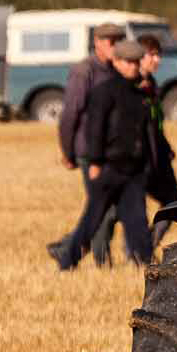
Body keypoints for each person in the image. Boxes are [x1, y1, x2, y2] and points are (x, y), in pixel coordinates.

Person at [57, 39, 154, 270]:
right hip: (109, 167)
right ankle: (67, 261)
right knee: (93, 220)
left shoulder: (140, 93)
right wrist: (95, 162)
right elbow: (95, 130)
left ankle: (148, 266)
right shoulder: (104, 92)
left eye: (136, 62)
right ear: (117, 62)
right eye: (128, 62)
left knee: (137, 220)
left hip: (133, 171)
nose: (133, 66)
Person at [94, 34, 177, 255]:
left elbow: (154, 126)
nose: (157, 60)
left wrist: (165, 147)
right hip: (132, 161)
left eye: (158, 55)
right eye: (152, 55)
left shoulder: (151, 86)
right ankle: (109, 257)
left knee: (173, 204)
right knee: (115, 211)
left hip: (154, 161)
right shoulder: (127, 89)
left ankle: (141, 251)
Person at [47, 21, 124, 266]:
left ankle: (65, 248)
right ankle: (102, 262)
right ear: (97, 43)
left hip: (111, 152)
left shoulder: (117, 70)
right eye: (111, 42)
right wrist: (67, 151)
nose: (115, 46)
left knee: (110, 208)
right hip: (89, 151)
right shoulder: (84, 71)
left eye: (118, 41)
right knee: (105, 209)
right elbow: (70, 114)